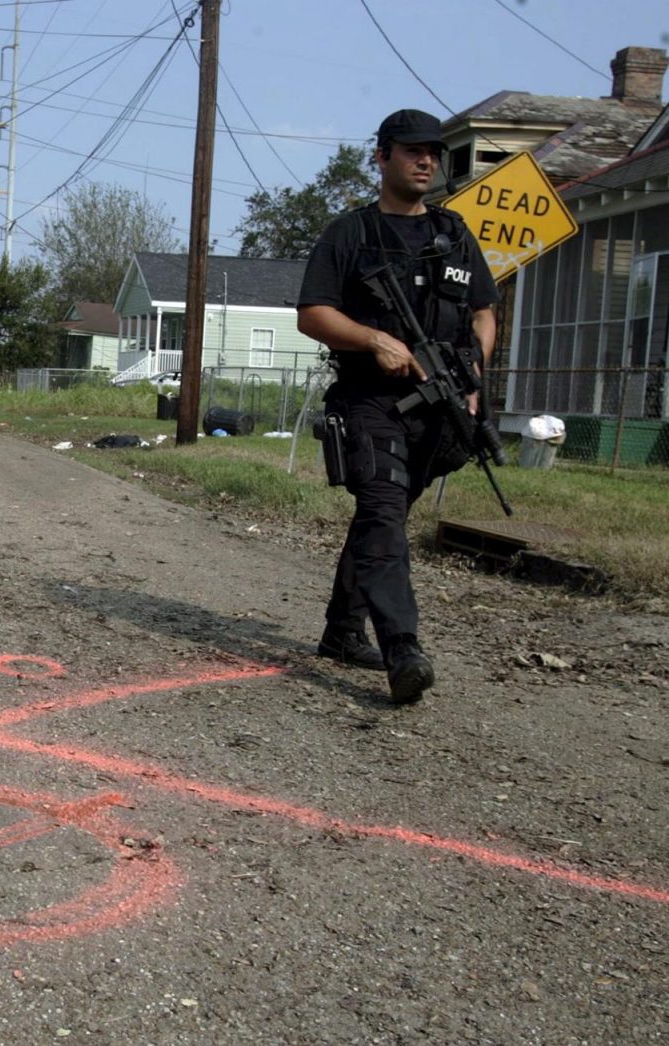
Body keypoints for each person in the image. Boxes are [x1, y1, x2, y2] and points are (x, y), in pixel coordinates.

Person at [296, 109, 500, 703]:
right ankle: (403, 649)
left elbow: (485, 310)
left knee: (380, 520)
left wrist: (473, 372)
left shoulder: (455, 233)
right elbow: (313, 313)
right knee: (384, 512)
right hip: (368, 401)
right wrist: (373, 339)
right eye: (412, 151)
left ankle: (340, 633)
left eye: (434, 152)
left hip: (437, 408)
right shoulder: (350, 234)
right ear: (381, 156)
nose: (426, 160)